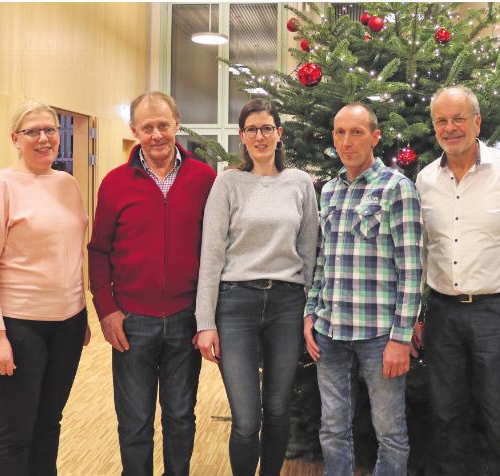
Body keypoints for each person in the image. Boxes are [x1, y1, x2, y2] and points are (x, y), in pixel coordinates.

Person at [88, 91, 216, 476]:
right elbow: (98, 251)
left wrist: (207, 316)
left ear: (177, 124)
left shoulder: (205, 178)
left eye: (163, 125)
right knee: (134, 421)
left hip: (184, 319)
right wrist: (107, 310)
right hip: (132, 322)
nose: (157, 134)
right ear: (134, 131)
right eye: (148, 127)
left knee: (180, 416)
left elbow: (215, 251)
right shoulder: (114, 183)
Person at [413, 85, 500, 474]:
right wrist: (418, 314)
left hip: (497, 311)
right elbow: (421, 252)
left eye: (458, 119)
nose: (450, 128)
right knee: (445, 413)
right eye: (442, 121)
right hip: (442, 313)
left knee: (497, 411)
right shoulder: (425, 179)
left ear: (477, 122)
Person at [0, 100, 90, 476]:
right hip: (16, 326)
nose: (43, 138)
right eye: (32, 131)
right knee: (15, 431)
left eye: (50, 129)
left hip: (67, 324)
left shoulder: (67, 183)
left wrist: (80, 311)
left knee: (48, 425)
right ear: (15, 139)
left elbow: (71, 253)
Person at [195, 98, 319, 476]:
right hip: (235, 305)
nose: (260, 136)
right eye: (252, 129)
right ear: (242, 136)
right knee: (247, 418)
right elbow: (212, 254)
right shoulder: (228, 182)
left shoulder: (299, 183)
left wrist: (311, 311)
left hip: (286, 303)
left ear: (279, 134)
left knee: (279, 408)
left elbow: (310, 251)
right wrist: (205, 322)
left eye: (267, 128)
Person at [303, 103, 423, 475]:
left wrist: (401, 338)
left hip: (379, 336)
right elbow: (323, 260)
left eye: (356, 132)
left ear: (374, 137)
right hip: (330, 332)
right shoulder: (329, 192)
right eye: (340, 132)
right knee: (333, 429)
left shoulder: (397, 189)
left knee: (389, 431)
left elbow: (412, 269)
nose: (346, 141)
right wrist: (310, 312)